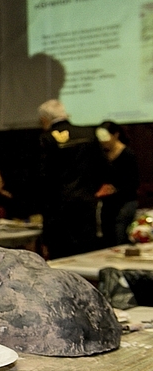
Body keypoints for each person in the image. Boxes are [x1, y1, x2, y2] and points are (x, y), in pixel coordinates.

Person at [37, 100, 111, 259]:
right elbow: (104, 166)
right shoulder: (89, 133)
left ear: (44, 119)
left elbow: (44, 177)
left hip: (59, 207)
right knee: (86, 254)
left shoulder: (46, 139)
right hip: (86, 203)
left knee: (62, 258)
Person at [96, 121, 140, 247]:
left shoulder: (128, 154)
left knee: (120, 235)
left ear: (115, 135)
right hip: (108, 203)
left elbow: (133, 182)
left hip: (125, 202)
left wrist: (115, 190)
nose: (103, 141)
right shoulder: (102, 155)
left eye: (105, 137)